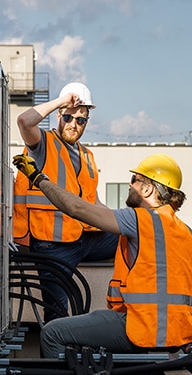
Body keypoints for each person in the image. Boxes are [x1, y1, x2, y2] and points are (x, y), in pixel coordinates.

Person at [12, 152, 192, 356]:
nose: (130, 185)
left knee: (51, 333)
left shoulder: (139, 219)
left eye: (134, 180)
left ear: (147, 188)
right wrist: (172, 319)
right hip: (178, 334)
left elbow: (76, 208)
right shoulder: (189, 234)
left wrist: (39, 179)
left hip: (138, 329)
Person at [12, 82, 118, 320]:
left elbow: (94, 203)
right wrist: (61, 102)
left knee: (136, 236)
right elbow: (23, 121)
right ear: (59, 116)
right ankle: (57, 356)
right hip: (52, 244)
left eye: (80, 120)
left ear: (87, 122)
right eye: (68, 117)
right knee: (57, 312)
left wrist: (126, 222)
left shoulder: (86, 155)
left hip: (85, 238)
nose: (73, 124)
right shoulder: (43, 144)